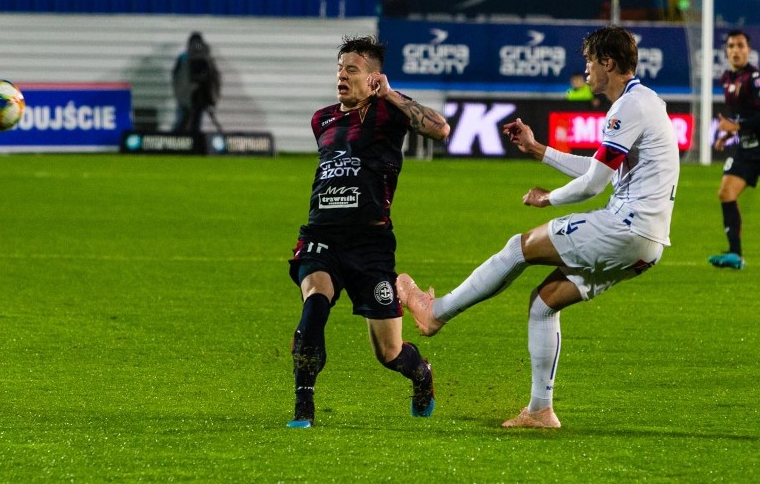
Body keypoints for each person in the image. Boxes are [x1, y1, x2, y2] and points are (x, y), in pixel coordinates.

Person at [397, 26, 680, 429]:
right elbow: (600, 169)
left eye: (589, 61)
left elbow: (594, 183)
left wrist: (549, 198)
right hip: (646, 244)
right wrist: (538, 150)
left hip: (626, 227)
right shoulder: (645, 102)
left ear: (608, 63)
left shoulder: (629, 107)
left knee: (520, 247)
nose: (585, 69)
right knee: (544, 303)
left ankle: (435, 314)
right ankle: (540, 410)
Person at [286, 35, 451, 428]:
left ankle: (421, 375)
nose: (341, 76)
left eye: (352, 70)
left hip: (371, 245)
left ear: (374, 78)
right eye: (339, 68)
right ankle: (303, 407)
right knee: (314, 305)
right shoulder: (321, 119)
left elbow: (440, 129)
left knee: (389, 352)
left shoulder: (388, 112)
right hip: (321, 235)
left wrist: (391, 96)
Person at [708, 30, 760, 270]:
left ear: (748, 50)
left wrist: (736, 126)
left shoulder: (753, 78)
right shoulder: (727, 78)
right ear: (726, 51)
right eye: (731, 46)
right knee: (726, 193)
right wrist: (728, 133)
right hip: (746, 151)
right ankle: (735, 255)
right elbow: (742, 114)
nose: (735, 50)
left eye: (740, 45)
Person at [172, 32, 222, 134]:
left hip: (199, 96)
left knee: (194, 124)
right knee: (182, 123)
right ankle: (178, 143)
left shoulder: (206, 59)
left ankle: (193, 144)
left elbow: (213, 76)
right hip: (187, 96)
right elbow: (178, 78)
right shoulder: (184, 58)